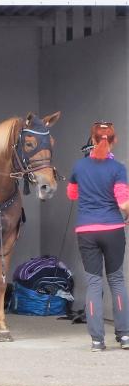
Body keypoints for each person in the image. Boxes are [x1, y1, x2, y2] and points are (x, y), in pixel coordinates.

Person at [67, 121, 129, 352]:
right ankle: (124, 337)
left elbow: (72, 194)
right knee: (117, 280)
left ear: (92, 140)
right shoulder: (118, 169)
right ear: (114, 141)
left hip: (86, 231)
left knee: (94, 283)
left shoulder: (79, 167)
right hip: (113, 229)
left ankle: (97, 341)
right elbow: (123, 202)